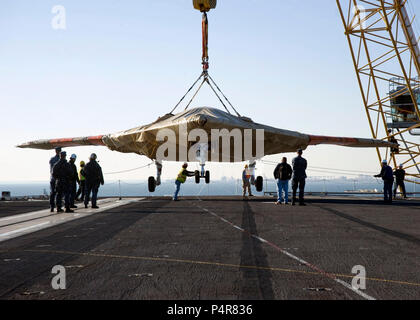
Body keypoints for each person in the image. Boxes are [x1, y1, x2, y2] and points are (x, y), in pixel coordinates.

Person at [49, 147, 62, 212]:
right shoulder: (60, 160)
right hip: (58, 179)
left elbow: (51, 169)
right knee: (58, 193)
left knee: (52, 193)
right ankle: (58, 207)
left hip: (52, 178)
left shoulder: (52, 159)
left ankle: (52, 207)